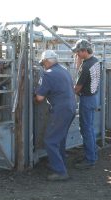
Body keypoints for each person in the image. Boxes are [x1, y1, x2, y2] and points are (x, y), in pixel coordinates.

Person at [34, 50, 76, 181]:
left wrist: (33, 98)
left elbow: (40, 98)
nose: (43, 66)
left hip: (60, 110)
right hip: (71, 108)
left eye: (43, 63)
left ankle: (60, 171)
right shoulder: (64, 70)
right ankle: (59, 163)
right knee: (60, 138)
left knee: (50, 141)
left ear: (47, 61)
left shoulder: (48, 74)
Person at [72, 39, 101, 169]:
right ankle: (92, 154)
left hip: (86, 99)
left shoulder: (86, 66)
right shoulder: (95, 61)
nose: (77, 54)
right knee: (89, 128)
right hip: (93, 97)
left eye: (78, 52)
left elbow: (77, 88)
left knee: (86, 129)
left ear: (84, 51)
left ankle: (90, 159)